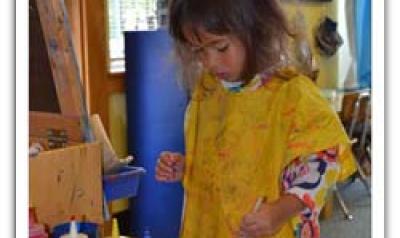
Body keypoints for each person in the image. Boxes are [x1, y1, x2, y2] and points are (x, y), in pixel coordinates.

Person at [155, 0, 356, 237]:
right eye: (199, 51)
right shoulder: (208, 92)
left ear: (255, 31)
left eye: (220, 48)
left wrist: (281, 210)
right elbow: (224, 155)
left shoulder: (292, 94)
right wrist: (188, 166)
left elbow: (325, 161)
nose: (209, 62)